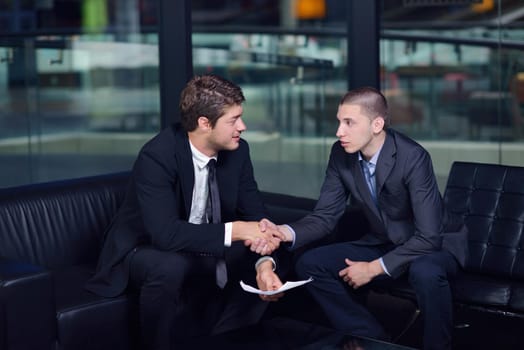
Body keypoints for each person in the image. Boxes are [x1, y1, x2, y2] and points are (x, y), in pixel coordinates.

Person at [256, 86, 468, 350]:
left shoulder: (412, 157)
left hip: (434, 245)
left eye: (349, 123)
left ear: (377, 124)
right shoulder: (341, 153)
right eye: (339, 122)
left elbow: (429, 236)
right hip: (385, 240)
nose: (339, 132)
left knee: (425, 270)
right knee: (311, 263)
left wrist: (373, 268)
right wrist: (283, 232)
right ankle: (374, 341)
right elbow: (325, 216)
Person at [85, 74, 285, 349]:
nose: (243, 126)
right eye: (233, 120)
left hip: (202, 242)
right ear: (204, 123)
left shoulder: (238, 151)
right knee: (171, 266)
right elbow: (165, 235)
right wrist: (238, 230)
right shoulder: (158, 155)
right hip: (143, 248)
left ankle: (220, 341)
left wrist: (264, 264)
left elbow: (255, 212)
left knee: (280, 247)